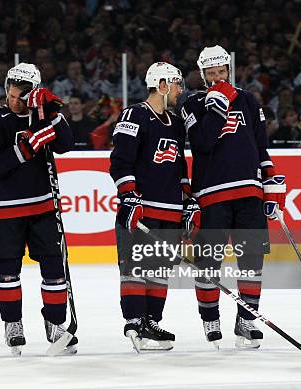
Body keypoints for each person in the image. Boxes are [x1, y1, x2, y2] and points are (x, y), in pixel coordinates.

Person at [181, 45, 286, 349]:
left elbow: (260, 147)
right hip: (211, 193)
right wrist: (216, 104)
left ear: (228, 69)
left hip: (249, 191)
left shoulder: (249, 100)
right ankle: (210, 317)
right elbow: (201, 142)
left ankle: (246, 319)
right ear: (202, 74)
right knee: (208, 261)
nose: (217, 77)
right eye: (210, 73)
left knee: (251, 260)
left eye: (221, 71)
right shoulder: (193, 103)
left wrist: (270, 186)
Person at [0, 62, 76, 355]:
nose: (13, 93)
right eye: (11, 86)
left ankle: (56, 323)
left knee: (54, 269)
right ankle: (13, 324)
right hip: (3, 208)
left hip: (42, 205)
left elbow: (66, 145)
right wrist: (31, 144)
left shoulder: (43, 116)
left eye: (21, 89)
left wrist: (54, 115)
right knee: (7, 271)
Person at [110, 62, 189, 352]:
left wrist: (187, 200)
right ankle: (135, 322)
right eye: (177, 84)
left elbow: (179, 166)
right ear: (163, 85)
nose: (181, 90)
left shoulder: (177, 122)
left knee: (159, 271)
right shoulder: (135, 115)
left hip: (169, 210)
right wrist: (129, 196)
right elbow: (120, 162)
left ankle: (151, 322)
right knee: (135, 268)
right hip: (142, 209)